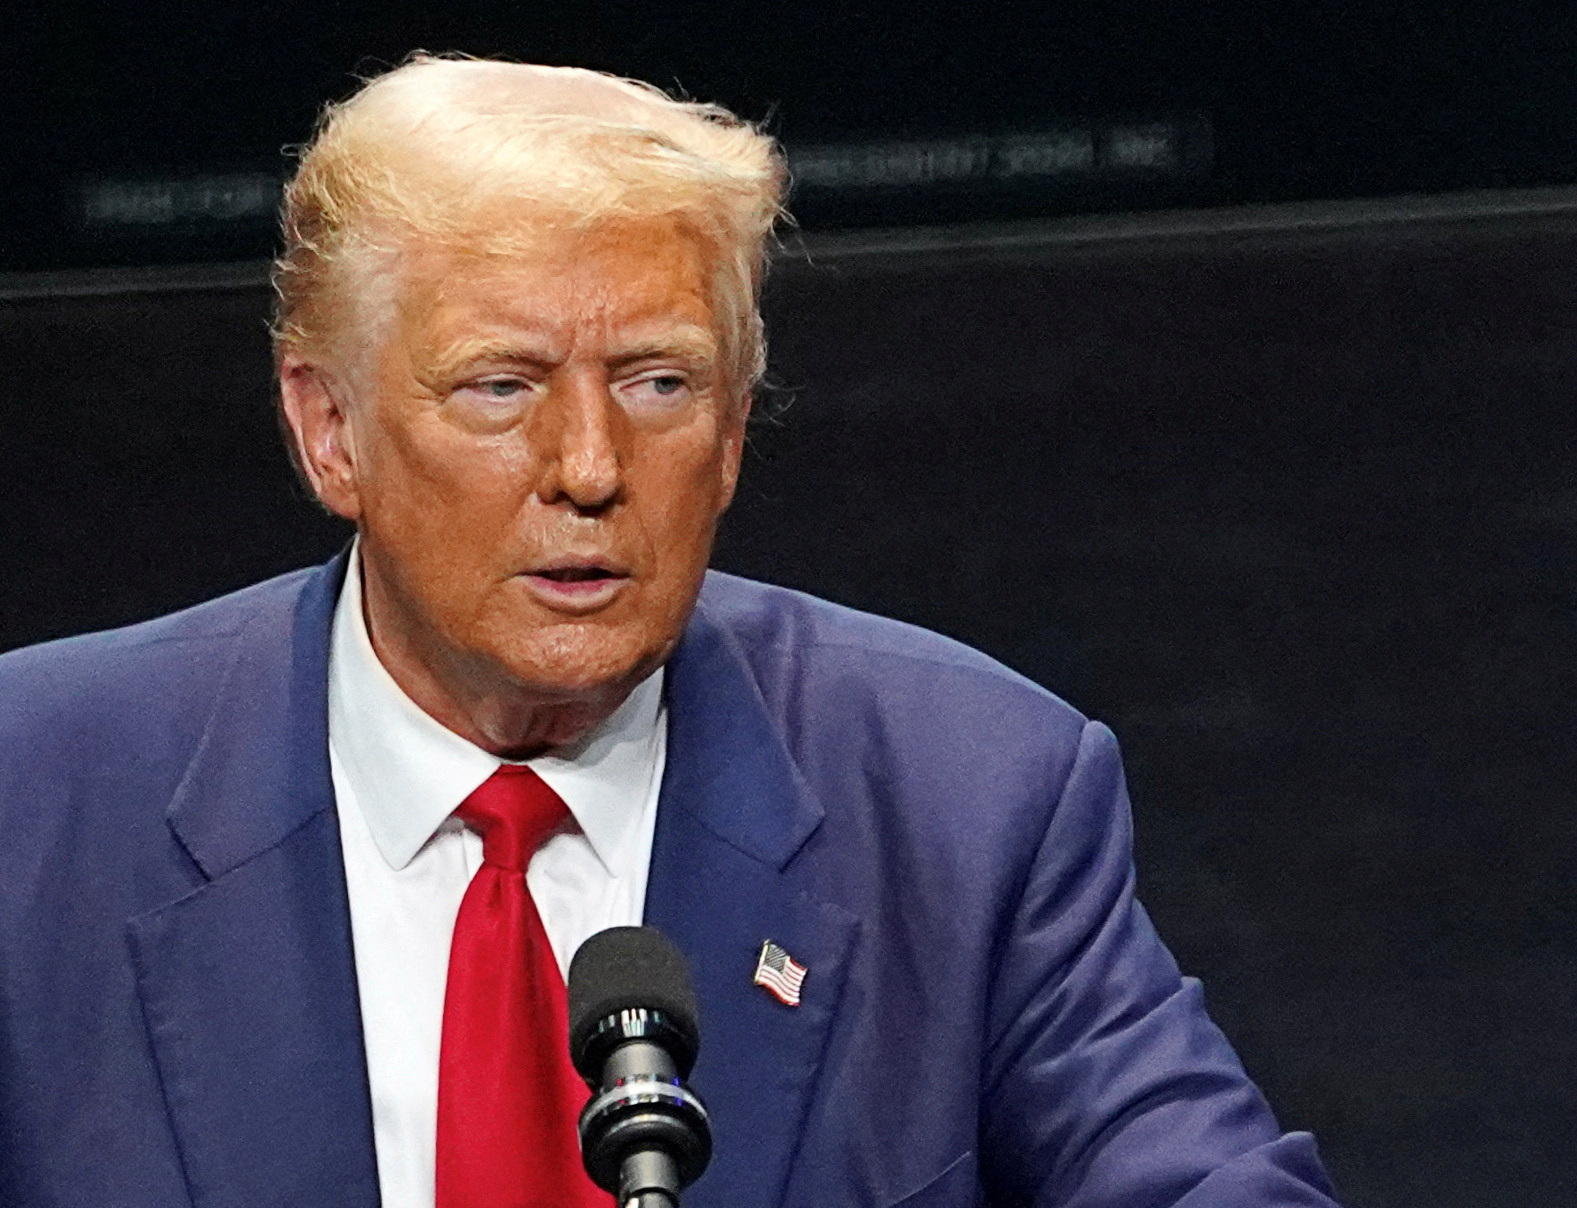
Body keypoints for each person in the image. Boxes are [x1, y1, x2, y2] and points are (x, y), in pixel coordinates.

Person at [0, 55, 1341, 1208]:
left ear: (735, 428)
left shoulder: (967, 797)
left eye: (658, 382)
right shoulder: (38, 797)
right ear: (330, 428)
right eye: (500, 386)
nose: (589, 463)